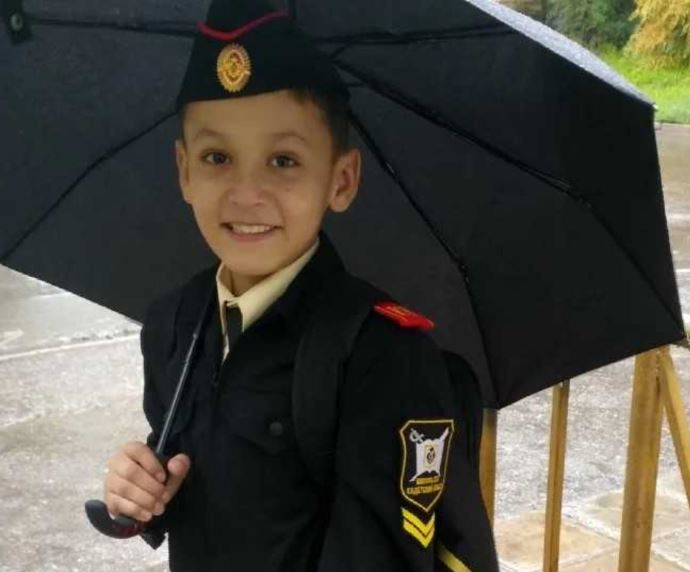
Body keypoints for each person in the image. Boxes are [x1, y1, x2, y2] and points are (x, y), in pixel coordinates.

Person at [99, 0, 499, 569]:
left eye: (283, 161)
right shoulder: (172, 325)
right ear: (185, 172)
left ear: (342, 180)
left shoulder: (381, 356)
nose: (246, 193)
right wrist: (146, 491)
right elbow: (203, 483)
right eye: (217, 156)